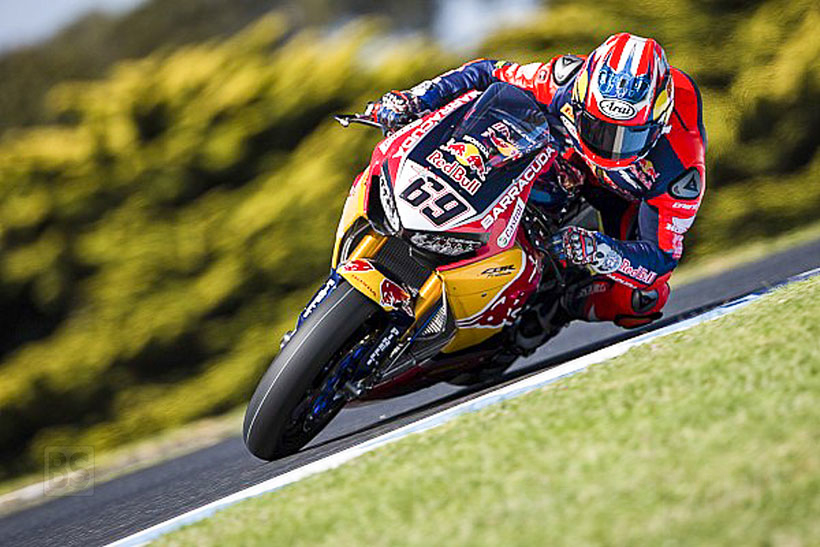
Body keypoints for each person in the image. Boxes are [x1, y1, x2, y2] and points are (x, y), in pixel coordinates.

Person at [365, 33, 706, 347]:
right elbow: (487, 72)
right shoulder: (564, 80)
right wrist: (417, 98)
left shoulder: (681, 169)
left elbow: (660, 260)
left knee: (643, 299)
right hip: (561, 153)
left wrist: (598, 250)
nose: (609, 147)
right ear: (583, 96)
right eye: (599, 127)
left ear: (658, 124)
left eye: (628, 137)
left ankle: (561, 305)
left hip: (622, 196)